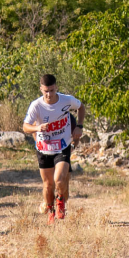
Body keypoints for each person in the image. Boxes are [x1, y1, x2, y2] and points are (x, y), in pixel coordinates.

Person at [22, 74, 84, 224]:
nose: (49, 94)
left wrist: (79, 127)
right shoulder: (36, 105)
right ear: (41, 89)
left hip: (62, 145)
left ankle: (60, 202)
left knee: (59, 179)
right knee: (48, 185)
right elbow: (25, 127)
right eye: (45, 91)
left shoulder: (66, 100)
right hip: (44, 147)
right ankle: (50, 210)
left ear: (56, 87)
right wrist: (37, 127)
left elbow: (81, 107)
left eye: (51, 90)